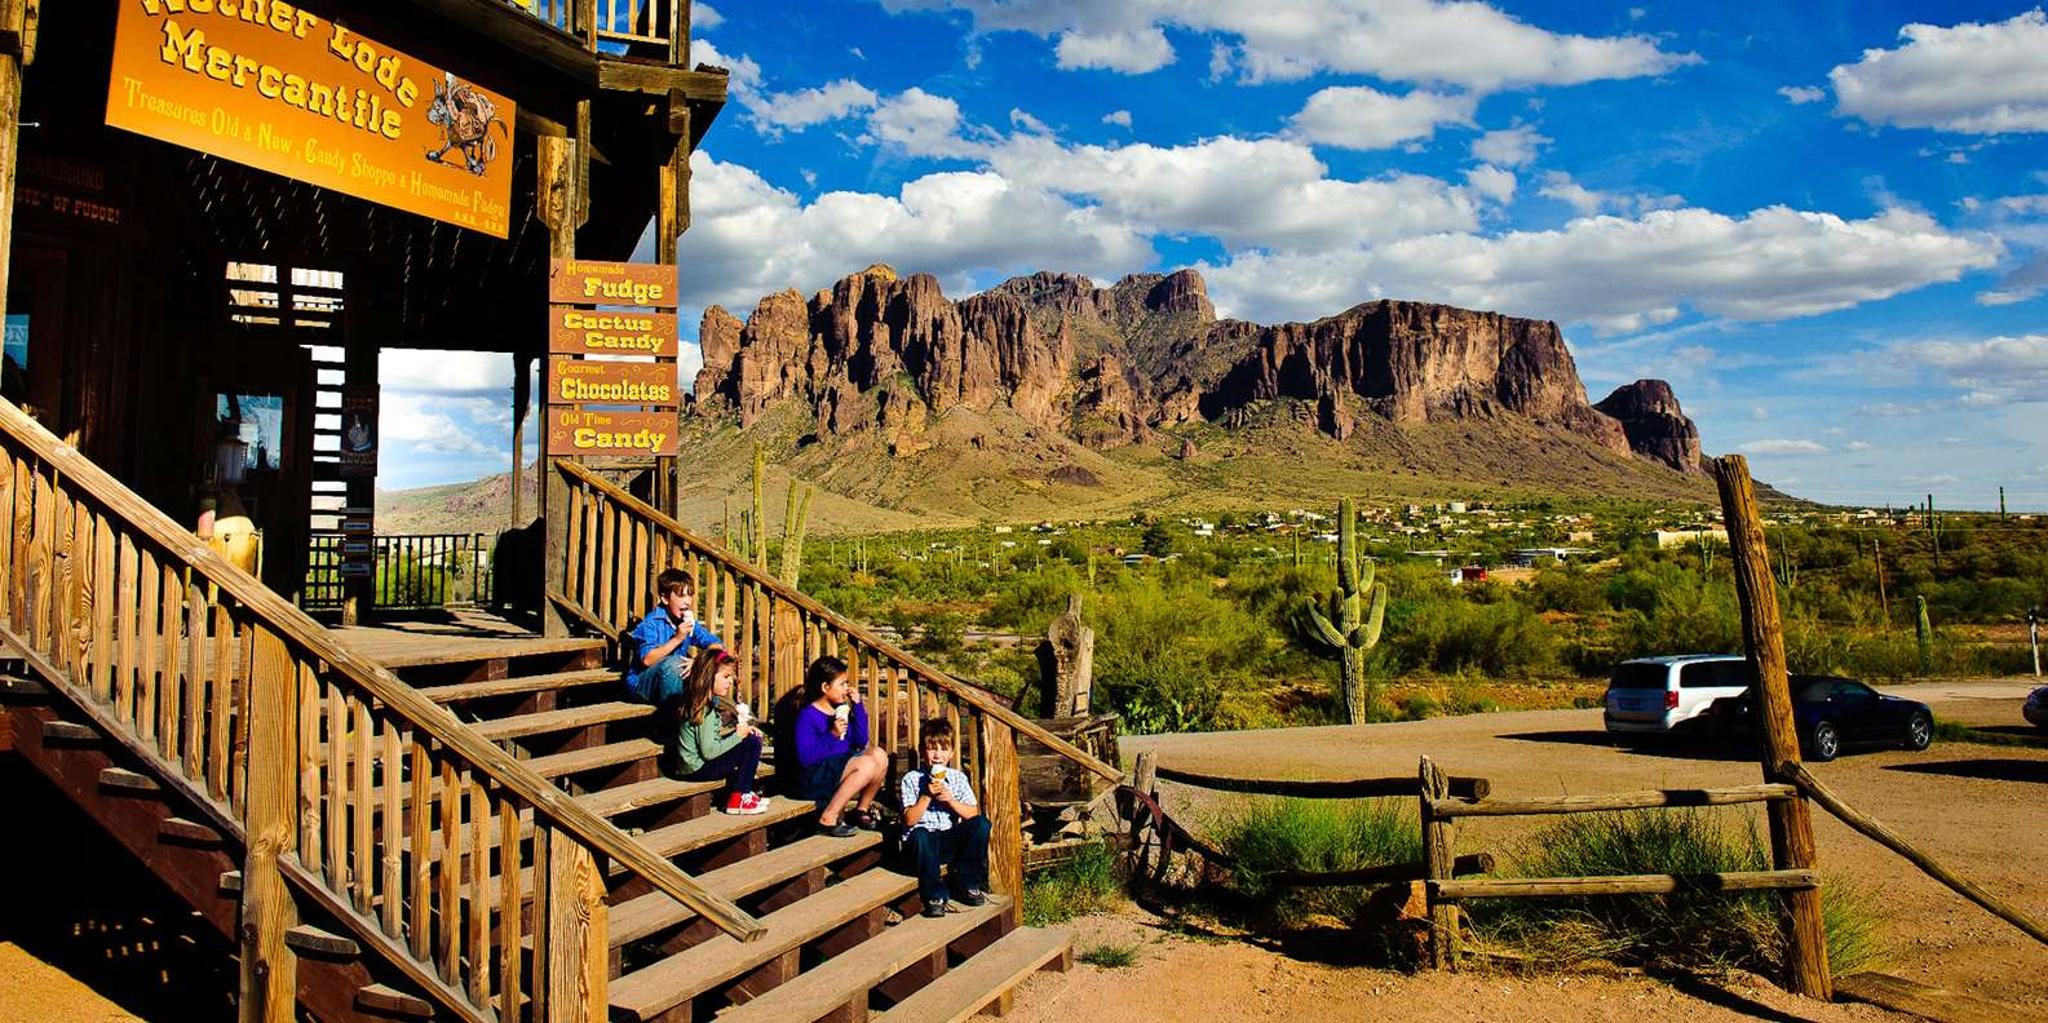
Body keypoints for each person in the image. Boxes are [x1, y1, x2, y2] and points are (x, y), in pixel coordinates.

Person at [899, 717, 991, 918]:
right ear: (923, 752)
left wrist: (950, 801)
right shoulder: (912, 779)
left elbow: (972, 814)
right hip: (921, 844)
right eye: (932, 749)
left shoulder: (957, 778)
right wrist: (926, 795)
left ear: (951, 753)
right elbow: (909, 820)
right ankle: (935, 896)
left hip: (947, 838)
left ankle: (968, 882)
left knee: (982, 824)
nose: (937, 755)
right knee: (921, 834)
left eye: (943, 750)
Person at [791, 655, 890, 837]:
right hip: (813, 775)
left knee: (880, 756)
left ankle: (861, 809)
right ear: (825, 687)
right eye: (842, 684)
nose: (847, 688)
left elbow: (860, 741)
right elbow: (805, 758)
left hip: (837, 766)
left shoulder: (840, 710)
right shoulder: (808, 715)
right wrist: (832, 735)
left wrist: (858, 706)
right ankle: (828, 817)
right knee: (867, 764)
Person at [666, 649, 768, 814]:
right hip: (697, 769)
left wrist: (740, 731)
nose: (730, 682)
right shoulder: (703, 710)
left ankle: (743, 792)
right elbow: (709, 751)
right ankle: (739, 796)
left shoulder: (700, 702)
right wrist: (738, 736)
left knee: (748, 738)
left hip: (694, 767)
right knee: (751, 743)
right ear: (708, 677)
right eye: (726, 677)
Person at [624, 568, 722, 706]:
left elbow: (717, 645)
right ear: (665, 598)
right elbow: (647, 660)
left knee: (709, 667)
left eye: (690, 595)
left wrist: (698, 661)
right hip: (643, 685)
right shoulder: (651, 623)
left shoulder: (687, 622)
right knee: (673, 664)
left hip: (673, 680)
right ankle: (673, 724)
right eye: (681, 596)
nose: (687, 601)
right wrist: (677, 638)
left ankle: (709, 720)